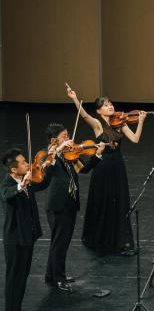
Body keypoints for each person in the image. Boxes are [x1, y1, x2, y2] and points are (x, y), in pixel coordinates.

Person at [66, 84, 147, 255]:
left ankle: (121, 240)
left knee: (120, 202)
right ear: (99, 111)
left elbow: (135, 139)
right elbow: (84, 115)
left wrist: (140, 122)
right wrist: (74, 98)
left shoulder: (120, 123)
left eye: (110, 104)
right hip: (103, 167)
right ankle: (101, 238)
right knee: (103, 201)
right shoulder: (98, 124)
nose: (110, 106)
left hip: (117, 166)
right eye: (105, 105)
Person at [42, 123, 105, 293]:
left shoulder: (69, 155)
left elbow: (84, 169)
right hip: (58, 205)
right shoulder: (50, 155)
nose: (69, 139)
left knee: (60, 242)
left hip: (69, 203)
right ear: (54, 140)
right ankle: (59, 278)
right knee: (60, 243)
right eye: (64, 136)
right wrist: (58, 149)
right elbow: (44, 166)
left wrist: (98, 154)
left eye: (68, 135)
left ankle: (51, 275)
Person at [1, 148, 49, 311]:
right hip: (15, 240)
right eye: (23, 163)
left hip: (27, 236)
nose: (27, 164)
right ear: (13, 169)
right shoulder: (8, 184)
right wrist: (22, 185)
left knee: (22, 277)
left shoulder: (27, 179)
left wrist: (47, 166)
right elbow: (7, 195)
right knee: (14, 279)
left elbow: (42, 183)